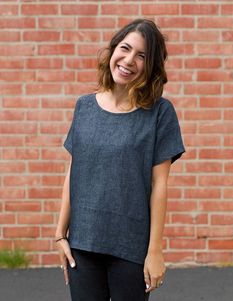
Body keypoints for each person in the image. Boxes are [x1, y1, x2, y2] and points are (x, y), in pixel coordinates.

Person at [55, 19, 185, 301]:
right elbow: (75, 170)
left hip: (131, 247)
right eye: (125, 48)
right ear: (113, 50)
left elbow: (159, 184)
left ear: (151, 66)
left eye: (141, 56)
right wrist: (59, 234)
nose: (129, 60)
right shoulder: (85, 106)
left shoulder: (160, 113)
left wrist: (155, 251)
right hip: (83, 243)